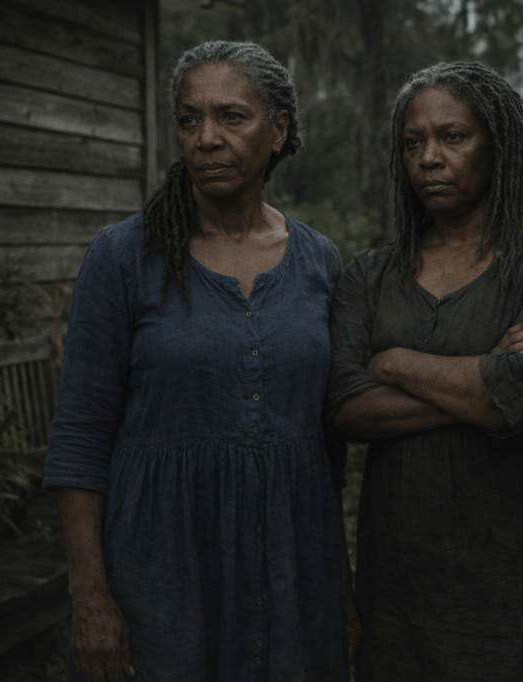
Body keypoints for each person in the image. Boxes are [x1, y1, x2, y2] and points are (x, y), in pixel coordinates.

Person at [44, 41, 357, 682]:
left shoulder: (319, 261)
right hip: (160, 572)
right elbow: (80, 435)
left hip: (293, 572)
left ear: (278, 130)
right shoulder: (124, 256)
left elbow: (327, 450)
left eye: (231, 117)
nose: (206, 138)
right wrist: (89, 596)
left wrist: (340, 587)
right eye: (190, 119)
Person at [324, 61, 523, 681]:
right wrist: (483, 377)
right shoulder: (371, 275)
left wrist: (393, 362)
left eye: (453, 137)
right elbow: (343, 406)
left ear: (498, 145)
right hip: (402, 592)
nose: (429, 158)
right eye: (412, 142)